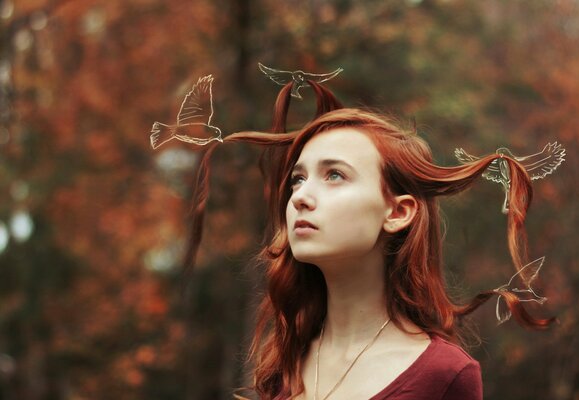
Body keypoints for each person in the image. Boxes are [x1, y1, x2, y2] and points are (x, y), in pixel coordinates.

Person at [182, 81, 554, 399]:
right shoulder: (284, 361)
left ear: (397, 212)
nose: (299, 197)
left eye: (334, 176)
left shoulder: (443, 376)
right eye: (298, 178)